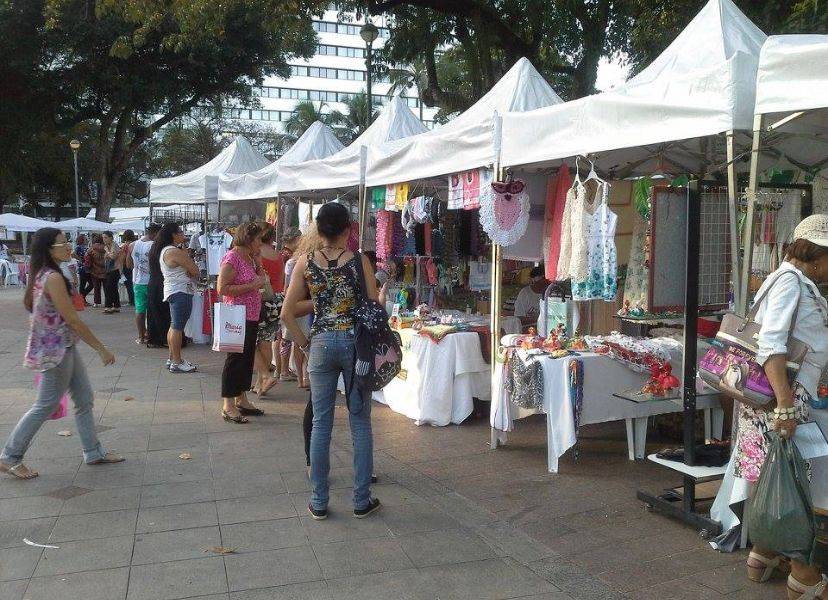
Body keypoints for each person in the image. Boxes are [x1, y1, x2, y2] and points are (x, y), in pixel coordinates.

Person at [729, 214, 828, 598]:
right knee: (791, 484)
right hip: (781, 398)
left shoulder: (790, 279)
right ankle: (802, 575)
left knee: (772, 476)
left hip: (770, 398)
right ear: (817, 255)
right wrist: (786, 405)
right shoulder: (790, 282)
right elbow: (771, 344)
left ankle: (763, 553)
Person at [282, 202, 380, 520]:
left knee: (321, 423)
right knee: (360, 422)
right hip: (355, 345)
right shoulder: (359, 261)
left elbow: (287, 313)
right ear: (348, 228)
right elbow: (374, 304)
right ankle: (361, 500)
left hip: (321, 343)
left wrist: (306, 344)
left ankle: (319, 501)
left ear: (319, 229)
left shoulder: (304, 263)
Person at [0, 228, 124, 479]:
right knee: (45, 405)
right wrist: (101, 349)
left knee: (84, 398)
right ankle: (10, 456)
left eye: (67, 241)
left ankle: (93, 451)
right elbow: (73, 319)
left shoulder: (47, 273)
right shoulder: (52, 277)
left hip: (62, 346)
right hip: (55, 351)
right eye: (62, 243)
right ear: (48, 249)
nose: (68, 246)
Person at [218, 222, 269, 422]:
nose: (260, 243)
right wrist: (250, 286)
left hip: (250, 315)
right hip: (236, 316)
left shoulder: (249, 257)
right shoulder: (232, 258)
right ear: (248, 239)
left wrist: (258, 261)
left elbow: (261, 278)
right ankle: (228, 404)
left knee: (246, 358)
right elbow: (222, 288)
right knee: (235, 359)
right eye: (258, 239)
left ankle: (242, 398)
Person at [151, 223, 198, 373]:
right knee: (178, 327)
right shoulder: (173, 251)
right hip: (180, 291)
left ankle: (173, 358)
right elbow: (195, 270)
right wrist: (187, 261)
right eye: (181, 232)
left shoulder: (168, 250)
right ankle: (177, 361)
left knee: (174, 325)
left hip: (174, 290)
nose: (183, 235)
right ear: (174, 234)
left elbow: (191, 270)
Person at [283, 231, 317, 390]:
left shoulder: (302, 262)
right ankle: (301, 377)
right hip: (302, 307)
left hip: (305, 309)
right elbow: (287, 289)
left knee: (302, 343)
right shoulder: (296, 263)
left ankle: (305, 376)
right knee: (300, 343)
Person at [274, 228, 302, 382]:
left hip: (283, 297)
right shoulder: (289, 257)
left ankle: (281, 370)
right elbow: (286, 283)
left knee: (283, 336)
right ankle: (283, 370)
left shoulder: (284, 255)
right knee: (285, 337)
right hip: (287, 298)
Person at [127, 224, 160, 345]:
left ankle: (141, 337)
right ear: (155, 233)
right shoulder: (155, 245)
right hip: (153, 282)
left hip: (138, 281)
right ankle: (152, 335)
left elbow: (129, 265)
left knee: (140, 310)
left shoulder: (132, 245)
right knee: (153, 310)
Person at [101, 231, 122, 314]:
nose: (104, 239)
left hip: (115, 269)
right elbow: (105, 257)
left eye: (105, 237)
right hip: (109, 269)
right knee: (113, 288)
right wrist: (108, 254)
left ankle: (108, 307)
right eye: (103, 238)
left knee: (108, 288)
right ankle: (116, 306)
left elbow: (113, 256)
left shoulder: (114, 245)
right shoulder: (107, 246)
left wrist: (107, 252)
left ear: (111, 238)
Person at [84, 235, 106, 307]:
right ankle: (107, 301)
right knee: (106, 287)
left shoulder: (91, 249)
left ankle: (96, 302)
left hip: (94, 270)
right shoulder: (106, 248)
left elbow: (86, 258)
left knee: (96, 287)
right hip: (105, 270)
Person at [120, 230, 137, 306]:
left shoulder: (125, 246)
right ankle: (135, 299)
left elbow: (122, 258)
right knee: (134, 283)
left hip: (127, 266)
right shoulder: (135, 244)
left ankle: (131, 301)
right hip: (135, 266)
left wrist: (120, 269)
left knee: (129, 284)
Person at [73, 235, 92, 304]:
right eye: (86, 239)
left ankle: (82, 300)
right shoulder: (79, 247)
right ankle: (82, 298)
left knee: (83, 284)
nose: (87, 239)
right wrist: (80, 259)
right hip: (84, 268)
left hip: (83, 267)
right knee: (90, 284)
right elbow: (73, 254)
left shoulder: (84, 247)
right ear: (82, 240)